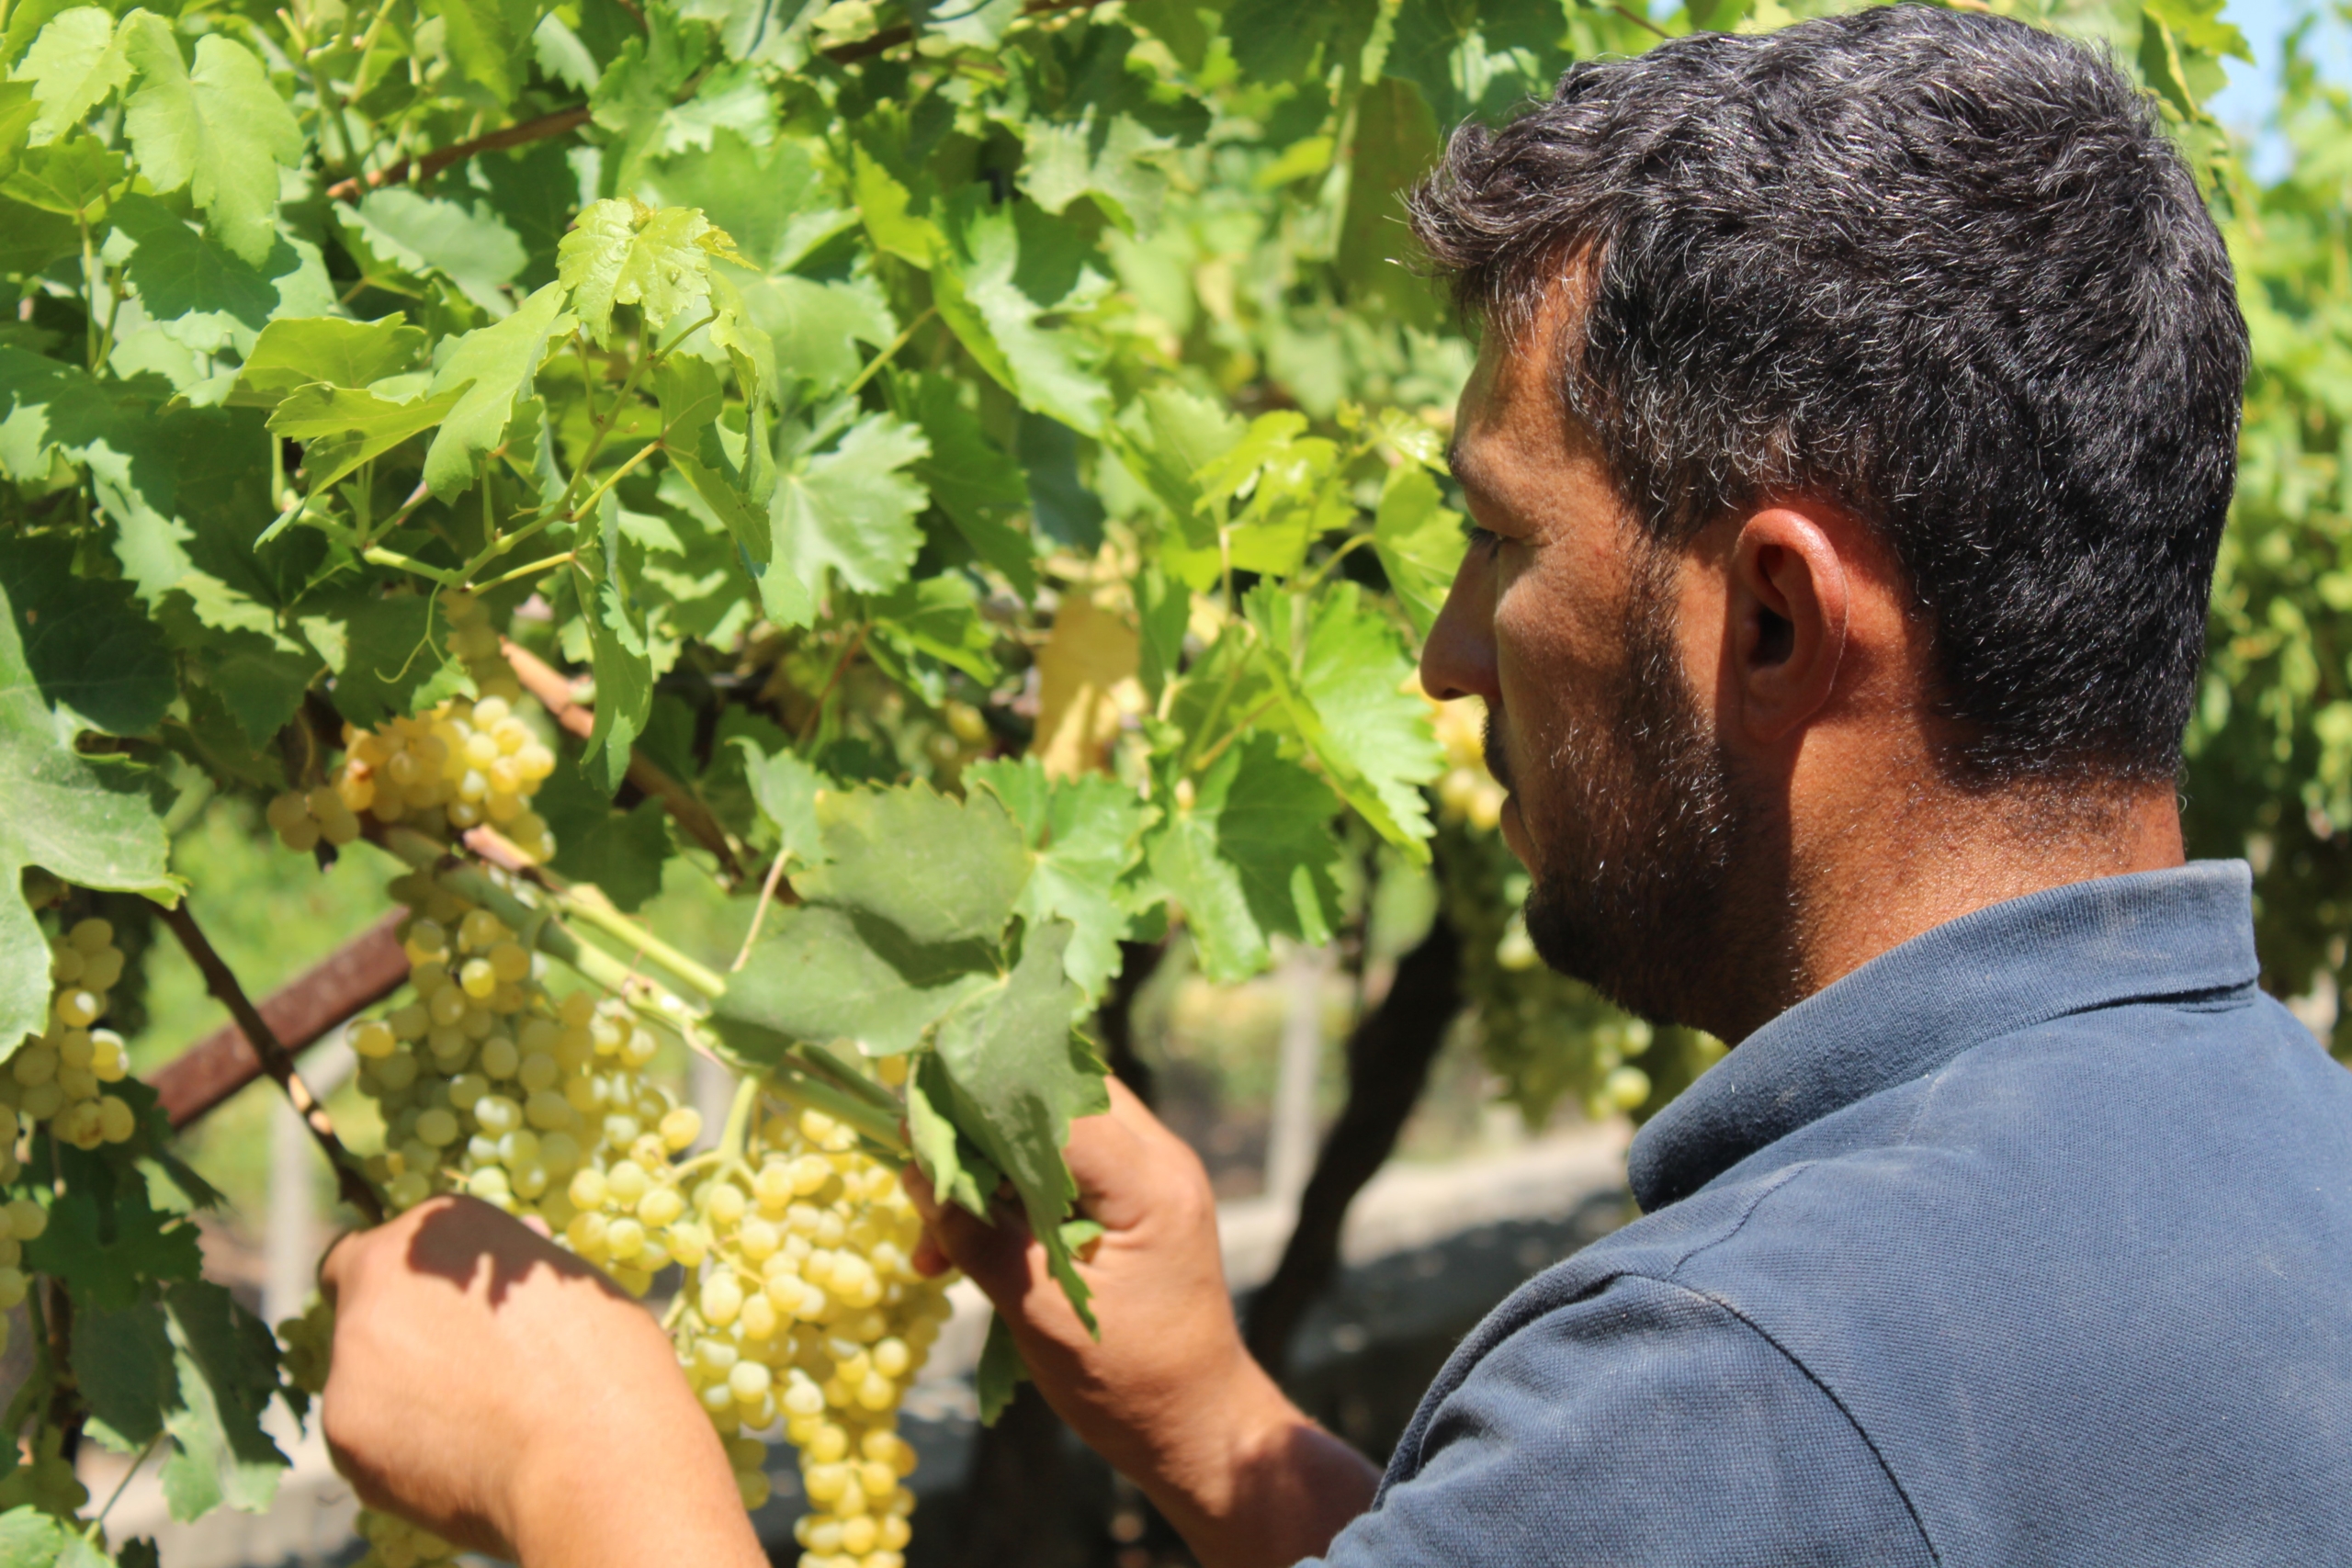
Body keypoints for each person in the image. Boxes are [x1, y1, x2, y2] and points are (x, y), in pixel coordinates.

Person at [316, 6, 2352, 1565]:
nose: (1453, 650)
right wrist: (1225, 1436)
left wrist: (587, 1465)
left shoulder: (1738, 1380)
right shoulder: (2284, 1168)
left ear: (1770, 615)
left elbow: (1734, 1468)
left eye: (1499, 542)